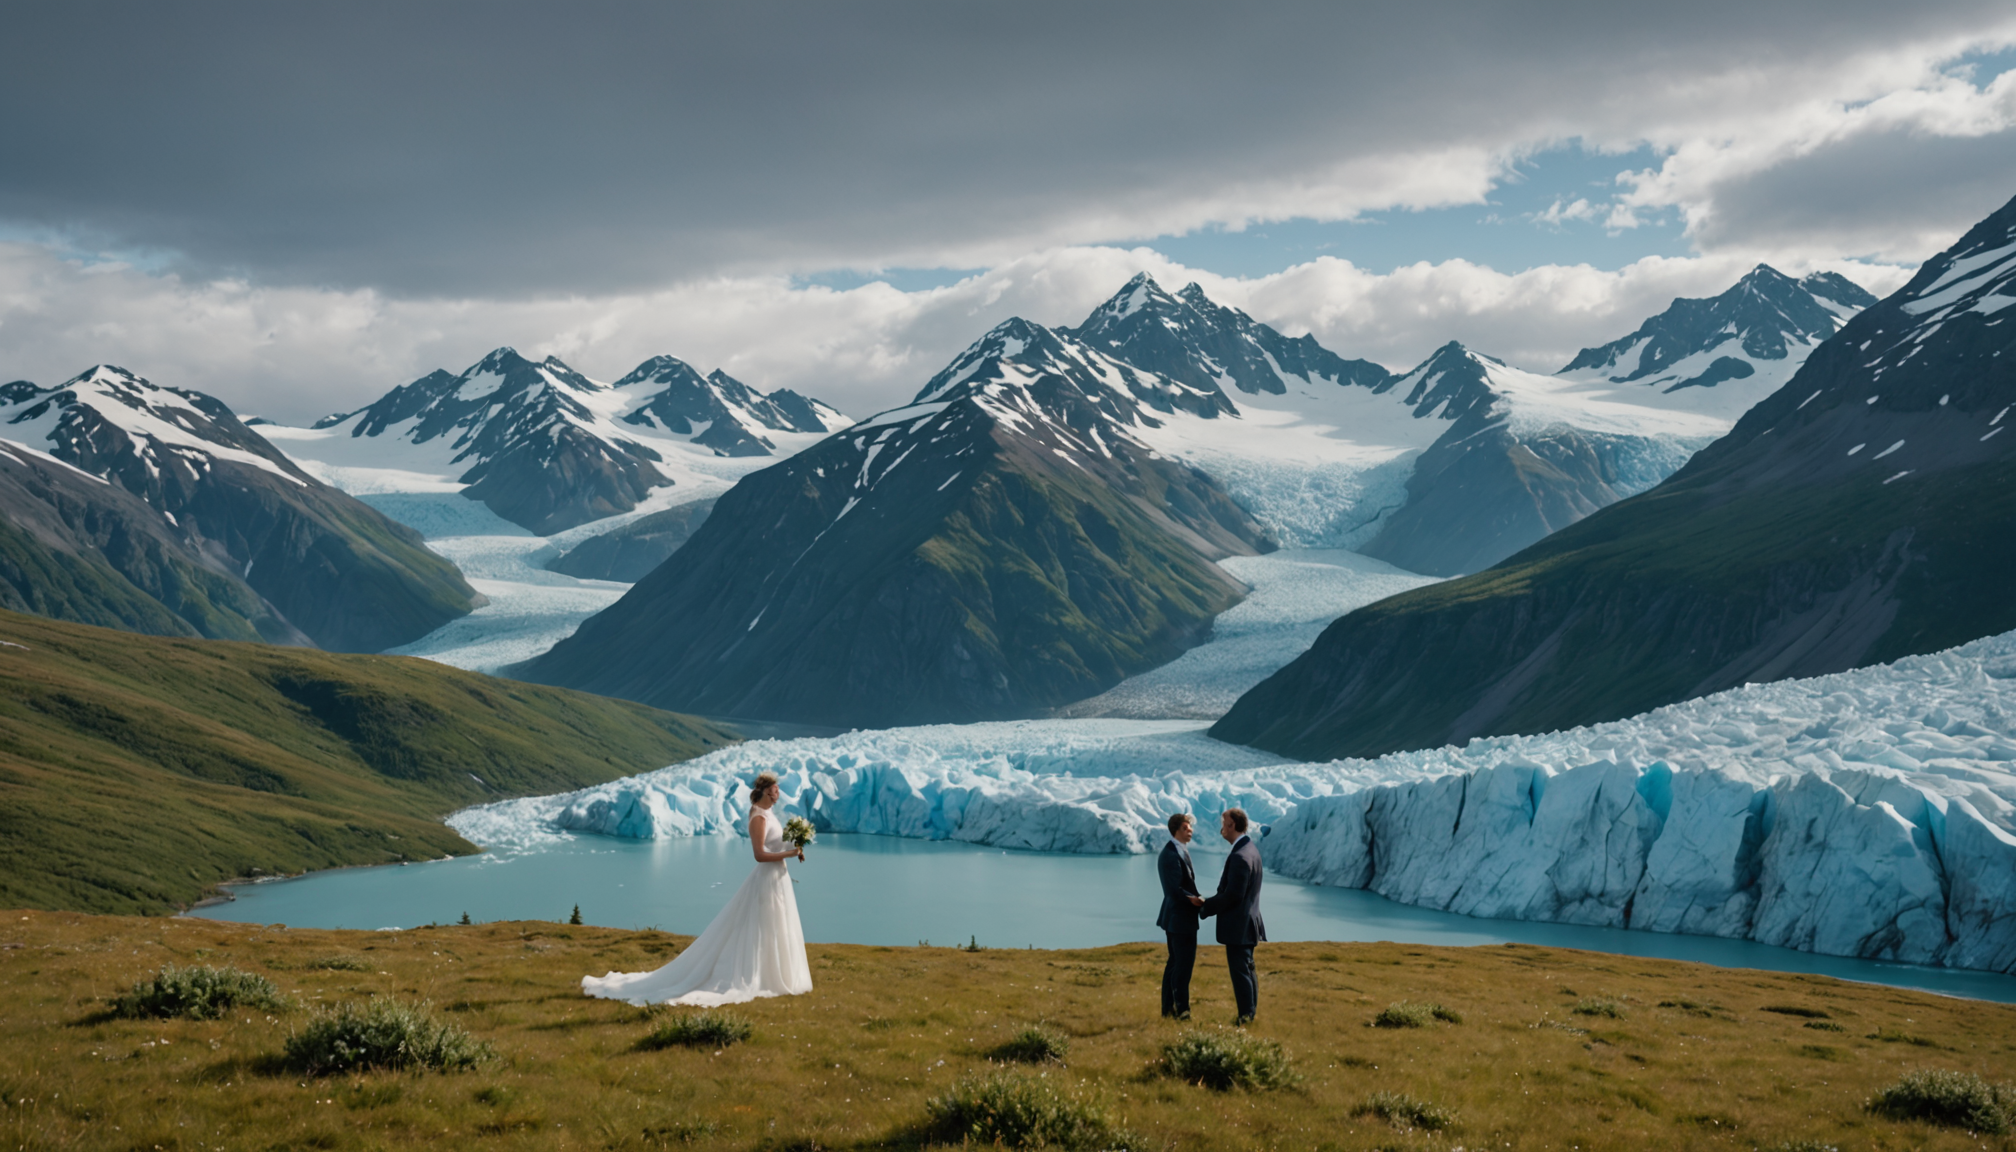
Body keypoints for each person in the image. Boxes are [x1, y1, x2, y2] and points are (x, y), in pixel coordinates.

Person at [581, 772, 813, 1005]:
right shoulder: (758, 818)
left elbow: (775, 844)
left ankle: (772, 974)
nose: (778, 793)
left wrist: (795, 844)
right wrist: (790, 853)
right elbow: (759, 855)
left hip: (778, 877)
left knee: (775, 925)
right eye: (775, 789)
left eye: (779, 789)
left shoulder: (770, 814)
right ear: (764, 790)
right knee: (761, 926)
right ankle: (759, 975)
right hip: (766, 878)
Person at [1197, 807, 1265, 1024]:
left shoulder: (1240, 856)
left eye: (1223, 824)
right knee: (1247, 968)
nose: (1221, 830)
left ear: (1232, 825)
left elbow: (1233, 895)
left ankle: (1245, 1017)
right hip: (1248, 921)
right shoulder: (1250, 849)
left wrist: (1205, 906)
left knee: (1240, 971)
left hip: (1239, 924)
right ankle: (1250, 1014)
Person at [1154, 813, 1207, 1018]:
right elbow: (1173, 889)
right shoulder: (1170, 854)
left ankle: (1168, 1009)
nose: (1190, 831)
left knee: (1175, 964)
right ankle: (1181, 1011)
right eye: (1186, 828)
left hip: (1178, 918)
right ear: (1176, 830)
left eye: (1190, 828)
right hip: (1179, 919)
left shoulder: (1178, 850)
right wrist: (1193, 900)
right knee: (1182, 966)